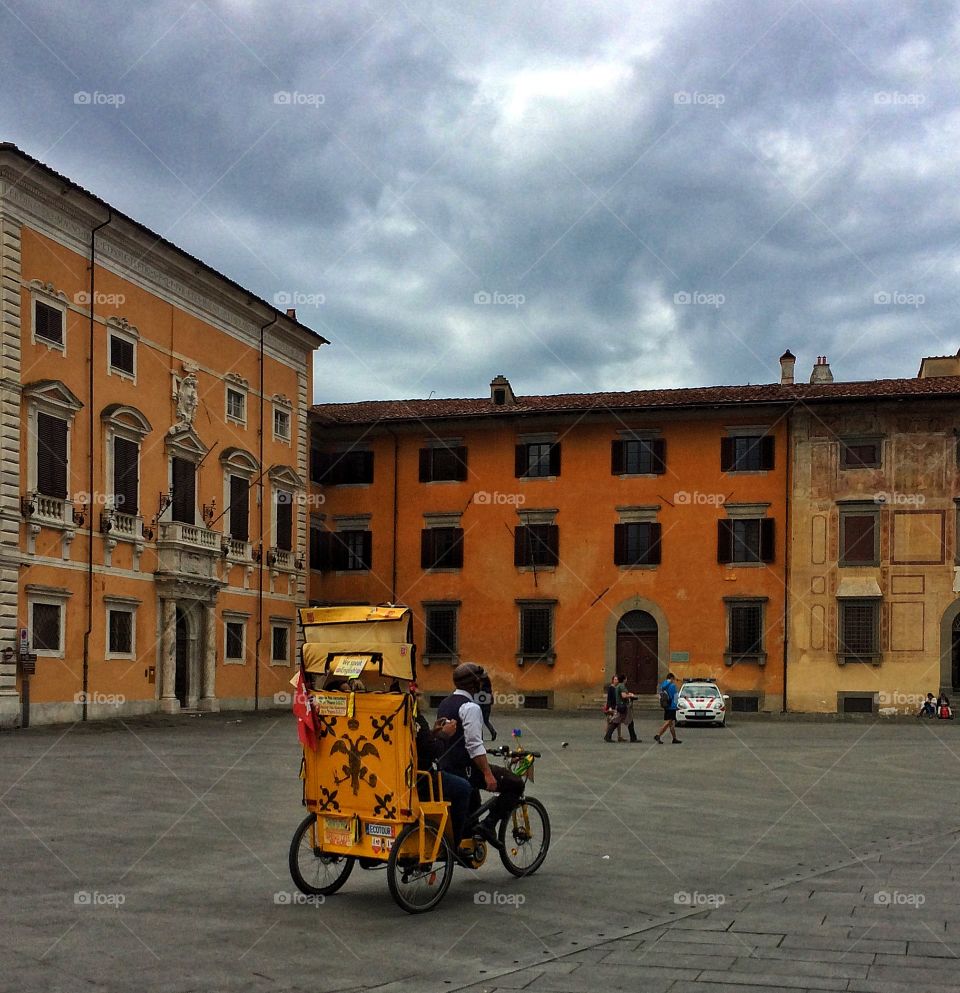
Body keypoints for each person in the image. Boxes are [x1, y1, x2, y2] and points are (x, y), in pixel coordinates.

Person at [435, 663, 524, 842]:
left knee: (472, 809)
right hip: (466, 770)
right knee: (515, 783)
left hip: (446, 767)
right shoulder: (471, 707)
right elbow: (474, 745)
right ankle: (489, 825)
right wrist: (487, 773)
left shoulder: (445, 703)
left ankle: (468, 837)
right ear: (475, 684)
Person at [413, 706, 472, 844]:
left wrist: (432, 733)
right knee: (463, 788)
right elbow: (432, 750)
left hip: (399, 779)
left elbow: (420, 743)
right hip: (421, 779)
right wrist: (445, 735)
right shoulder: (413, 715)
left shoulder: (393, 713)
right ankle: (454, 842)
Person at [653, 672, 682, 744]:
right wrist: (676, 706)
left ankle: (674, 738)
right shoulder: (672, 686)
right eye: (674, 679)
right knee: (669, 721)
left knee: (671, 723)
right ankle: (658, 735)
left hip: (666, 705)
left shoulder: (663, 685)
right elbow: (675, 696)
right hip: (671, 706)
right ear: (672, 678)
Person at [477, 670, 498, 741]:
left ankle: (481, 737)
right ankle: (493, 732)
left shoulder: (482, 686)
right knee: (485, 720)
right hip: (486, 704)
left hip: (483, 704)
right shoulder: (487, 686)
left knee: (481, 720)